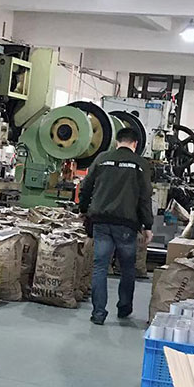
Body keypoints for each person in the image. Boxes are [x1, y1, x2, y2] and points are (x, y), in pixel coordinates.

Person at [79, 127, 154, 325]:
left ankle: (98, 313)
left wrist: (83, 209)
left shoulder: (102, 159)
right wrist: (147, 225)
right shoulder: (140, 164)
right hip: (126, 225)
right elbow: (145, 197)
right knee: (127, 267)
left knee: (100, 267)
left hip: (101, 221)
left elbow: (86, 186)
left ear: (116, 142)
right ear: (135, 144)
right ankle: (124, 307)